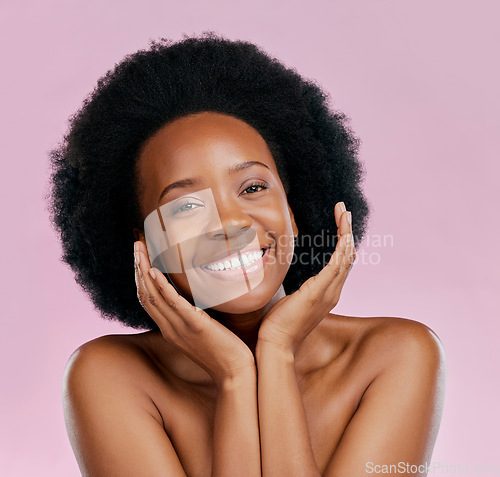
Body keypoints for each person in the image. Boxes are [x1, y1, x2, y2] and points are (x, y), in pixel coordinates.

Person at [49, 32, 445, 476]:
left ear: (293, 213)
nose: (230, 224)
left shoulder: (395, 356)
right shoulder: (108, 377)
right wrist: (235, 375)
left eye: (253, 187)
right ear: (144, 248)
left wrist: (277, 352)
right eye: (185, 206)